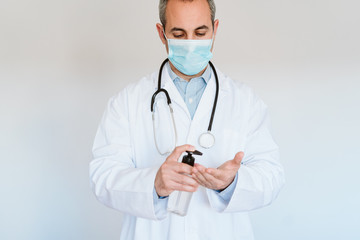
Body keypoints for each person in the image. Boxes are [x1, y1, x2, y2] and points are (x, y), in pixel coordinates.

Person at [89, 0, 285, 239]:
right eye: (179, 34)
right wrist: (154, 183)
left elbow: (272, 177)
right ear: (162, 34)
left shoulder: (244, 101)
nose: (191, 44)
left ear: (215, 29)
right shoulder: (127, 101)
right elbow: (102, 177)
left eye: (200, 33)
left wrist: (231, 183)